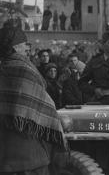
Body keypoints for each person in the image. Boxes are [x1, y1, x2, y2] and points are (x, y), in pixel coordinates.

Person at [0, 19, 67, 174]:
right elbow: (46, 106)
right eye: (25, 44)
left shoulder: (3, 66)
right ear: (15, 47)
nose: (27, 48)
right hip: (29, 154)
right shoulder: (25, 69)